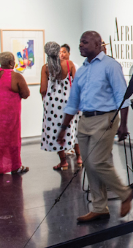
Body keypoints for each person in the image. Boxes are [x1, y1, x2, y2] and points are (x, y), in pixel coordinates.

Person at [58, 31, 133, 222]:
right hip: (85, 120)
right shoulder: (82, 70)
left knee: (98, 162)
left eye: (84, 42)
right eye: (80, 42)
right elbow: (73, 101)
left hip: (106, 118)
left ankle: (125, 193)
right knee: (89, 166)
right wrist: (64, 127)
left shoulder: (110, 65)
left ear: (98, 44)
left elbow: (122, 97)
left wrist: (123, 124)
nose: (80, 45)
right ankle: (100, 207)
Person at [0, 52, 30, 175]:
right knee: (12, 141)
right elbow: (26, 94)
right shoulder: (16, 76)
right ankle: (15, 166)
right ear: (11, 62)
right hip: (10, 115)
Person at [40, 41, 82, 170]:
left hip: (53, 104)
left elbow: (43, 89)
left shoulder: (46, 68)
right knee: (74, 127)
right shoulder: (69, 64)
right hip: (69, 100)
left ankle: (63, 161)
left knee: (56, 130)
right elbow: (77, 83)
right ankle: (79, 158)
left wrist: (45, 101)